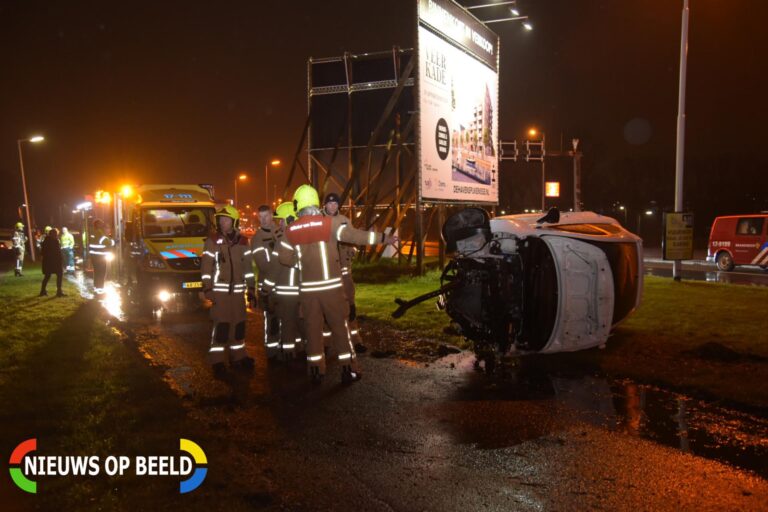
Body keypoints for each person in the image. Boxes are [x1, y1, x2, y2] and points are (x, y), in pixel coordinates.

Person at [278, 184, 397, 384]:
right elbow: (356, 236)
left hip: (308, 291)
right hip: (332, 289)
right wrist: (384, 238)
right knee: (340, 329)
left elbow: (284, 257)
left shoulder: (291, 230)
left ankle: (316, 370)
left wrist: (302, 263)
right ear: (317, 202)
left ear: (299, 204)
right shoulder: (330, 224)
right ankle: (348, 370)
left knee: (313, 330)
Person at [201, 205, 256, 375]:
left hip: (238, 294)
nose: (223, 222)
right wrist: (208, 289)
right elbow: (206, 267)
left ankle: (238, 357)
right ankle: (217, 361)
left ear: (234, 222)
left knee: (238, 326)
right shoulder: (212, 241)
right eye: (221, 219)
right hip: (220, 293)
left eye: (227, 219)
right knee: (222, 327)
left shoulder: (243, 242)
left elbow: (248, 267)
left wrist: (252, 288)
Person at [323, 192, 363, 348]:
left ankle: (356, 341)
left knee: (351, 308)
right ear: (324, 204)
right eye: (330, 203)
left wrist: (352, 249)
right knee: (326, 311)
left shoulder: (345, 221)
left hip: (345, 274)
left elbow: (353, 238)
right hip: (327, 274)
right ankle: (325, 344)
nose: (333, 206)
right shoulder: (320, 221)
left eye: (335, 203)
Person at [270, 202, 303, 360]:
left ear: (290, 219)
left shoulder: (283, 239)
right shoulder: (303, 237)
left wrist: (266, 289)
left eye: (281, 220)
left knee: (288, 323)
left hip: (287, 290)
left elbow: (275, 268)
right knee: (301, 322)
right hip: (302, 289)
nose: (279, 223)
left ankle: (289, 353)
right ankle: (302, 349)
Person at [249, 205, 281, 359]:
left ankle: (290, 349)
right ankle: (272, 352)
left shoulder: (282, 232)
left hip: (286, 285)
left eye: (266, 216)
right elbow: (263, 265)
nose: (263, 220)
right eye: (260, 217)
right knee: (272, 321)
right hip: (268, 286)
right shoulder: (257, 239)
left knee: (289, 318)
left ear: (271, 216)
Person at [88, 219, 114, 294]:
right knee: (101, 272)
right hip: (100, 257)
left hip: (94, 256)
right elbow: (107, 242)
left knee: (96, 272)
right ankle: (100, 288)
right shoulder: (99, 233)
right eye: (101, 224)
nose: (103, 225)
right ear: (98, 225)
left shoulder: (93, 232)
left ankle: (96, 287)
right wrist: (113, 241)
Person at [40, 228, 65, 297]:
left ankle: (42, 291)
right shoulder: (55, 241)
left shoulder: (45, 241)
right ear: (54, 234)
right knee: (59, 275)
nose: (57, 235)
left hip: (47, 262)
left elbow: (42, 252)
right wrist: (61, 259)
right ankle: (59, 291)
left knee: (47, 276)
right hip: (55, 262)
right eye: (56, 234)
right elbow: (57, 252)